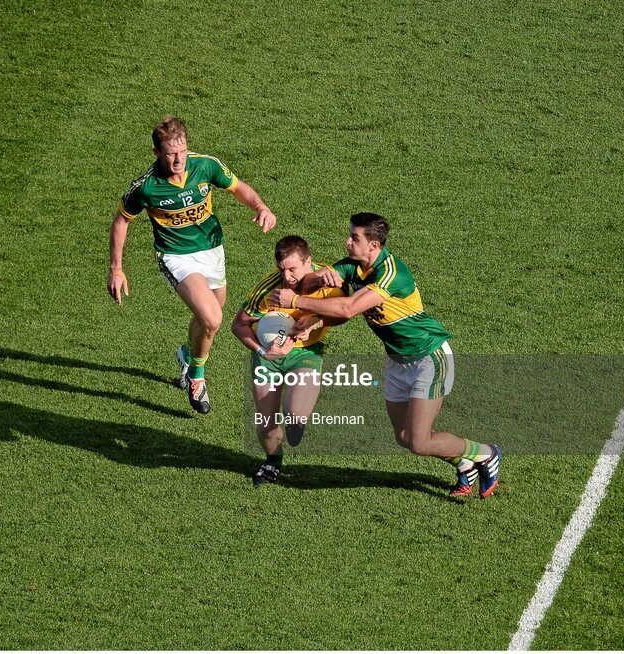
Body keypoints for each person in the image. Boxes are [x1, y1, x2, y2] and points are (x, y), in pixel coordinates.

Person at [268, 213, 502, 498]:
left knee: (419, 441)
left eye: (355, 238)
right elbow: (305, 286)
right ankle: (465, 463)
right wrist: (318, 280)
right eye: (350, 235)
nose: (348, 241)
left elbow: (347, 309)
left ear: (374, 245)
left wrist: (297, 302)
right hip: (397, 361)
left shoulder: (391, 273)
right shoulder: (353, 266)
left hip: (429, 357)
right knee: (404, 438)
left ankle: (487, 454)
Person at [107, 116, 277, 414]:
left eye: (182, 151)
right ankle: (198, 378)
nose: (178, 159)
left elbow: (237, 187)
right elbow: (122, 220)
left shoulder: (205, 165)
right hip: (175, 256)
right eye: (171, 153)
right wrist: (116, 268)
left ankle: (187, 354)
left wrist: (261, 206)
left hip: (212, 250)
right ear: (157, 152)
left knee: (209, 318)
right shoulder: (147, 187)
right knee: (212, 318)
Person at [231, 236, 346, 486]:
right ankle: (272, 461)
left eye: (293, 269)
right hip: (268, 356)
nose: (288, 277)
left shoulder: (330, 282)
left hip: (306, 351)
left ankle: (296, 423)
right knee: (266, 422)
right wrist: (262, 351)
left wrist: (317, 321)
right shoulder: (268, 289)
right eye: (282, 269)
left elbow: (345, 312)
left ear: (309, 262)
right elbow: (238, 325)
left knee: (294, 415)